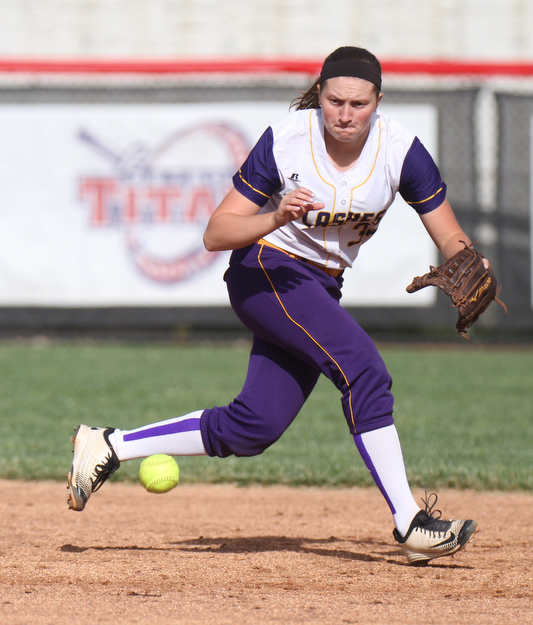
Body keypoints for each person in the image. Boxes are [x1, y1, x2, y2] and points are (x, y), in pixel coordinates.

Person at [67, 46, 481, 566]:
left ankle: (108, 445)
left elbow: (450, 236)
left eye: (358, 103)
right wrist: (277, 214)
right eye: (335, 101)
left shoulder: (401, 151)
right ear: (321, 93)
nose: (345, 114)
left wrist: (470, 264)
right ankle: (410, 521)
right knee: (364, 371)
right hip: (265, 270)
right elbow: (217, 233)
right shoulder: (289, 142)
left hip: (320, 288)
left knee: (254, 426)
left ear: (379, 100)